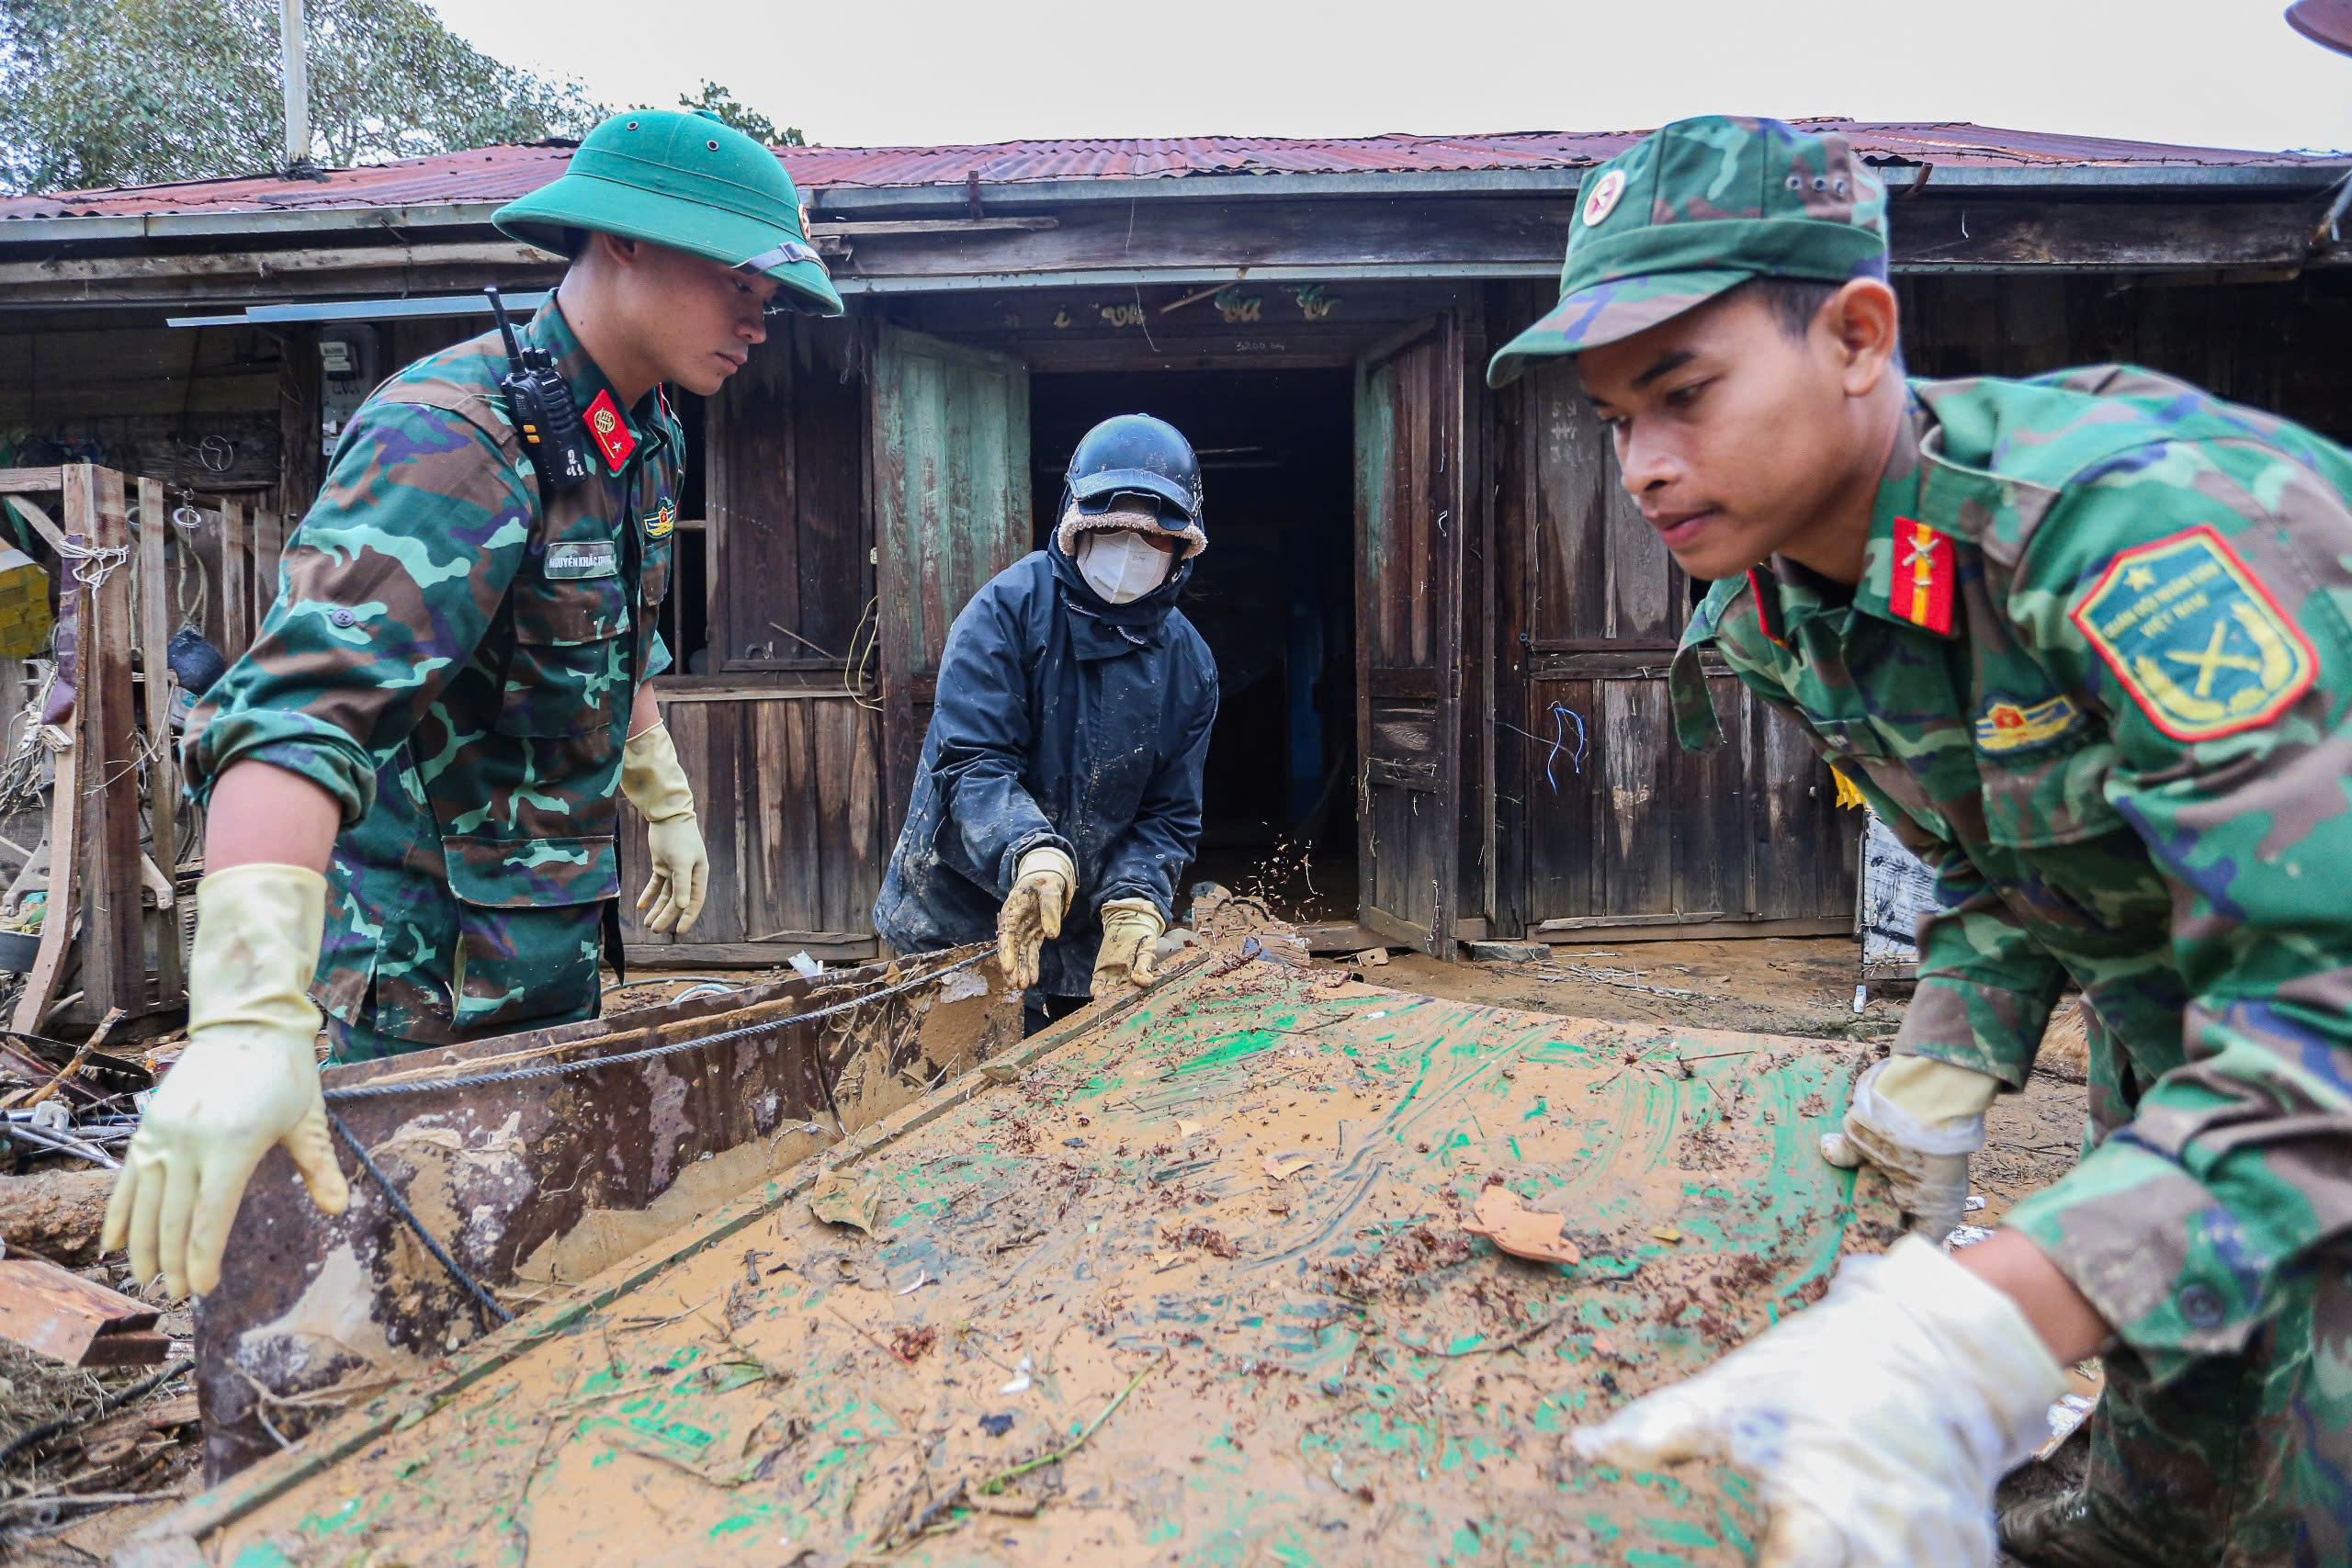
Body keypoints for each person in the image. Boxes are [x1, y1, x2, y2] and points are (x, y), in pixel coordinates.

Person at [1487, 115, 2352, 1567]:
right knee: (2185, 1442)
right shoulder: (1783, 608)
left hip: (2297, 1066)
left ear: (1857, 334)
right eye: (1614, 420)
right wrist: (1942, 1063)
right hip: (2185, 1062)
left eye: (1683, 393)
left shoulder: (2129, 538)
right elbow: (2001, 857)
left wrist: (1987, 1315)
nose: (1642, 464)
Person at [102, 107, 842, 1302]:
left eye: (775, 288)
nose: (762, 314)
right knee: (368, 1309)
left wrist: (659, 783)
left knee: (521, 1278)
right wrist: (245, 1011)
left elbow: (618, 627)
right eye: (740, 276)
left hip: (546, 946)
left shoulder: (641, 431)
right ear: (627, 242)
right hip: (412, 988)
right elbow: (296, 716)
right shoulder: (455, 435)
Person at [873, 414, 1217, 1035]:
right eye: (1111, 528)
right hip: (960, 915)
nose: (1128, 551)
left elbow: (1168, 813)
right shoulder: (1004, 613)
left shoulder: (1189, 666)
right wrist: (1031, 853)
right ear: (1075, 526)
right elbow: (972, 763)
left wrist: (1137, 898)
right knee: (947, 1093)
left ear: (1182, 548)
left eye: (1151, 536)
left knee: (1066, 1109)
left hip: (1086, 937)